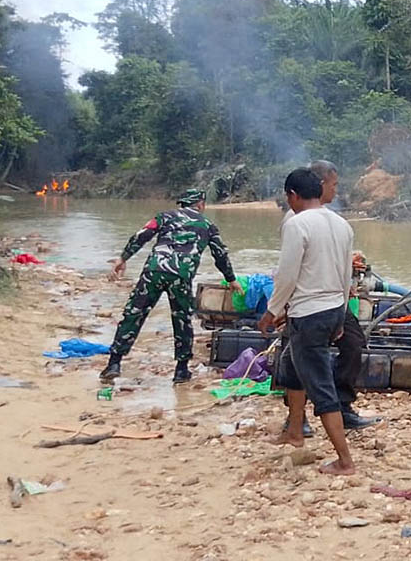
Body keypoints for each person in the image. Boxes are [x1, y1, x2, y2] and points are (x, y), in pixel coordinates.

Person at [259, 168, 356, 475]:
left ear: (293, 195)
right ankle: (294, 431)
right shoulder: (341, 224)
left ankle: (344, 461)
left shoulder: (296, 223)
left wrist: (271, 310)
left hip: (309, 314)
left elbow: (287, 274)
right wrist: (341, 314)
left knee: (320, 385)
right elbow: (346, 275)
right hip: (332, 308)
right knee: (290, 366)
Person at [101, 189, 242, 384]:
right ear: (200, 204)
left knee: (134, 313)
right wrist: (231, 279)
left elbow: (141, 236)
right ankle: (181, 370)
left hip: (154, 271)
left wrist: (123, 258)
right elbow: (220, 255)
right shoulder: (207, 225)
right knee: (182, 319)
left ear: (182, 203)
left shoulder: (164, 217)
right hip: (181, 276)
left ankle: (114, 363)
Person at [280, 160, 375, 435]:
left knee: (353, 343)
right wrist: (278, 306)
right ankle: (297, 418)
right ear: (320, 185)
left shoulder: (334, 220)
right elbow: (291, 268)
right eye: (334, 185)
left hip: (333, 301)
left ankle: (342, 406)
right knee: (293, 356)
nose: (336, 190)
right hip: (306, 302)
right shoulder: (296, 220)